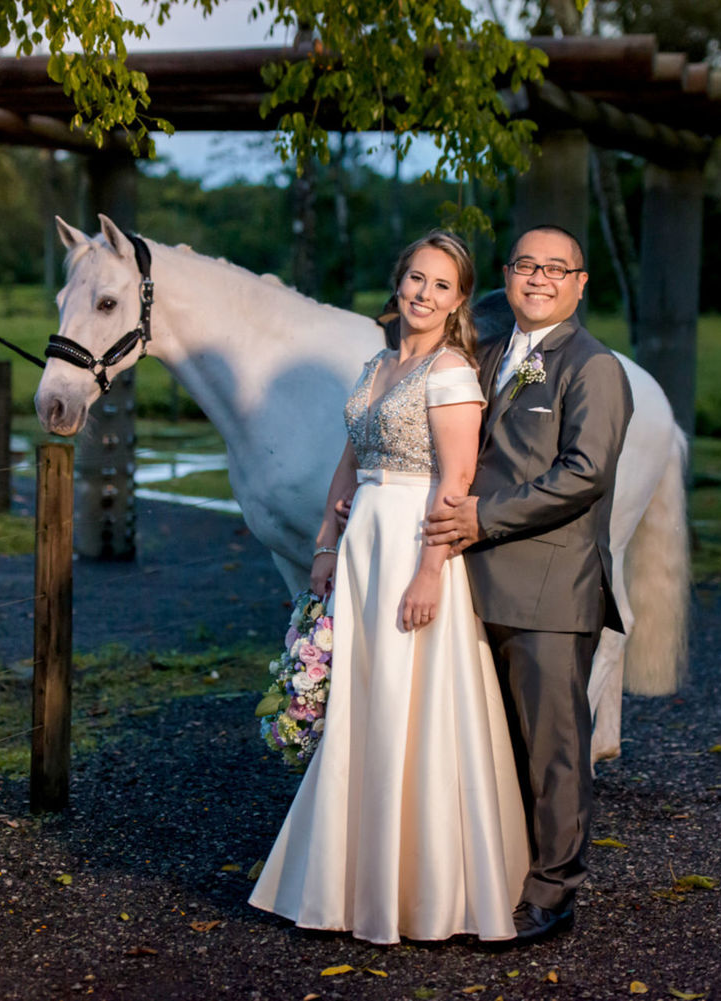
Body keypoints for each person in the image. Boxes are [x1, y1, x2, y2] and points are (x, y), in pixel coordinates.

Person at [248, 232, 529, 945]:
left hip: (411, 545)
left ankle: (418, 892)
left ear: (460, 299)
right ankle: (341, 882)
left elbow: (455, 481)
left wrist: (432, 571)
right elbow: (349, 464)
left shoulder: (452, 371)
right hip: (361, 548)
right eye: (414, 278)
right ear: (397, 282)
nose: (423, 294)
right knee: (360, 705)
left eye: (440, 285)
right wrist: (323, 546)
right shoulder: (377, 364)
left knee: (412, 707)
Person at [423, 224, 634, 941]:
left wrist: (484, 516)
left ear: (580, 284)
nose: (538, 278)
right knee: (494, 744)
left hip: (548, 588)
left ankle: (553, 890)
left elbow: (584, 473)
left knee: (553, 750)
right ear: (506, 276)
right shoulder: (484, 354)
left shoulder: (593, 366)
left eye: (556, 268)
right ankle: (497, 870)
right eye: (525, 266)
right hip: (470, 584)